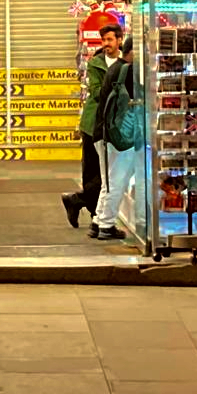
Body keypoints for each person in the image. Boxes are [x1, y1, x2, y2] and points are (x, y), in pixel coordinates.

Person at [63, 23, 121, 232]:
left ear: (119, 40)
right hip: (92, 123)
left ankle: (77, 200)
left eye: (110, 40)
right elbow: (97, 91)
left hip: (114, 125)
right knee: (93, 172)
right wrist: (120, 94)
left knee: (109, 173)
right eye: (103, 40)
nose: (106, 44)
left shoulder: (125, 62)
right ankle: (97, 217)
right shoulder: (96, 63)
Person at [92, 34, 142, 241]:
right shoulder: (128, 71)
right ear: (134, 52)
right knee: (118, 180)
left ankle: (98, 221)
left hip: (103, 132)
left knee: (108, 181)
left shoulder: (115, 68)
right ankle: (106, 225)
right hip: (118, 136)